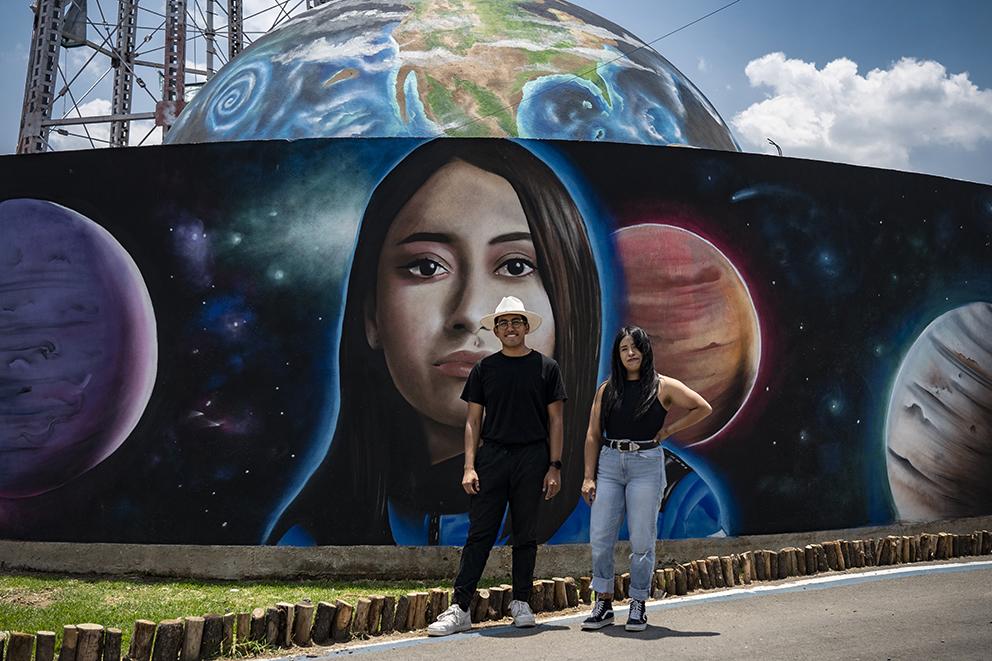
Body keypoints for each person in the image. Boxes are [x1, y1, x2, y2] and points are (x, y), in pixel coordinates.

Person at [266, 139, 600, 546]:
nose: (471, 312)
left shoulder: (661, 507)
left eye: (515, 266)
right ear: (372, 316)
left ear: (570, 306)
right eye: (427, 267)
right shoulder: (308, 541)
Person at [427, 296, 565, 635]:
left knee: (525, 534)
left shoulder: (546, 367)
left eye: (516, 321)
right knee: (480, 533)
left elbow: (556, 421)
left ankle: (521, 603)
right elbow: (473, 421)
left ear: (526, 327)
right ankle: (460, 608)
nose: (510, 328)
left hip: (532, 457)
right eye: (503, 323)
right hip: (492, 457)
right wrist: (469, 466)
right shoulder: (484, 369)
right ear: (496, 330)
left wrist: (554, 466)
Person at [580, 326, 712, 632]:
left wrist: (668, 431)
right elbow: (592, 434)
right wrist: (588, 477)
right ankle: (603, 602)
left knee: (641, 539)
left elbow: (702, 407)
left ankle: (638, 603)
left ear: (645, 351)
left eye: (636, 347)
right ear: (617, 354)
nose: (631, 353)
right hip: (609, 464)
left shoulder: (662, 386)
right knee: (600, 537)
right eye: (624, 348)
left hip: (646, 465)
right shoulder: (607, 389)